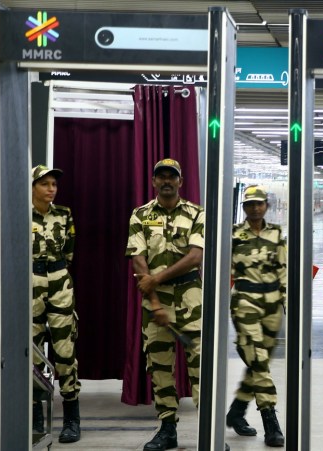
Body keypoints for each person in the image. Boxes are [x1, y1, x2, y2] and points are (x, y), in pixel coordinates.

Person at [126, 158, 205, 451]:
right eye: (162, 176)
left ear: (181, 182)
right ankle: (167, 428)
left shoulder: (197, 214)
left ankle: (208, 431)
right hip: (155, 304)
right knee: (159, 366)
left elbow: (195, 257)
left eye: (172, 176)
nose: (167, 180)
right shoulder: (141, 215)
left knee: (201, 366)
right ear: (154, 181)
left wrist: (156, 280)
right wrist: (156, 303)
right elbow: (138, 260)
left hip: (191, 300)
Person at [225, 185, 287, 447]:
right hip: (245, 301)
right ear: (244, 208)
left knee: (256, 362)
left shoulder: (276, 234)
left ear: (266, 206)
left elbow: (283, 268)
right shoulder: (234, 235)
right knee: (259, 361)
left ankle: (237, 412)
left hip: (272, 303)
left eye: (259, 203)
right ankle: (270, 420)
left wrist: (286, 301)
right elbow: (223, 267)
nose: (255, 208)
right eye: (250, 204)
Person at [31, 165, 81, 443]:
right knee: (34, 351)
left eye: (54, 184)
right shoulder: (19, 214)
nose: (51, 189)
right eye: (45, 184)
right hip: (31, 283)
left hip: (59, 282)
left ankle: (72, 417)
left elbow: (69, 250)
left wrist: (56, 274)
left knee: (65, 350)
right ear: (33, 187)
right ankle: (36, 414)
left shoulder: (63, 214)